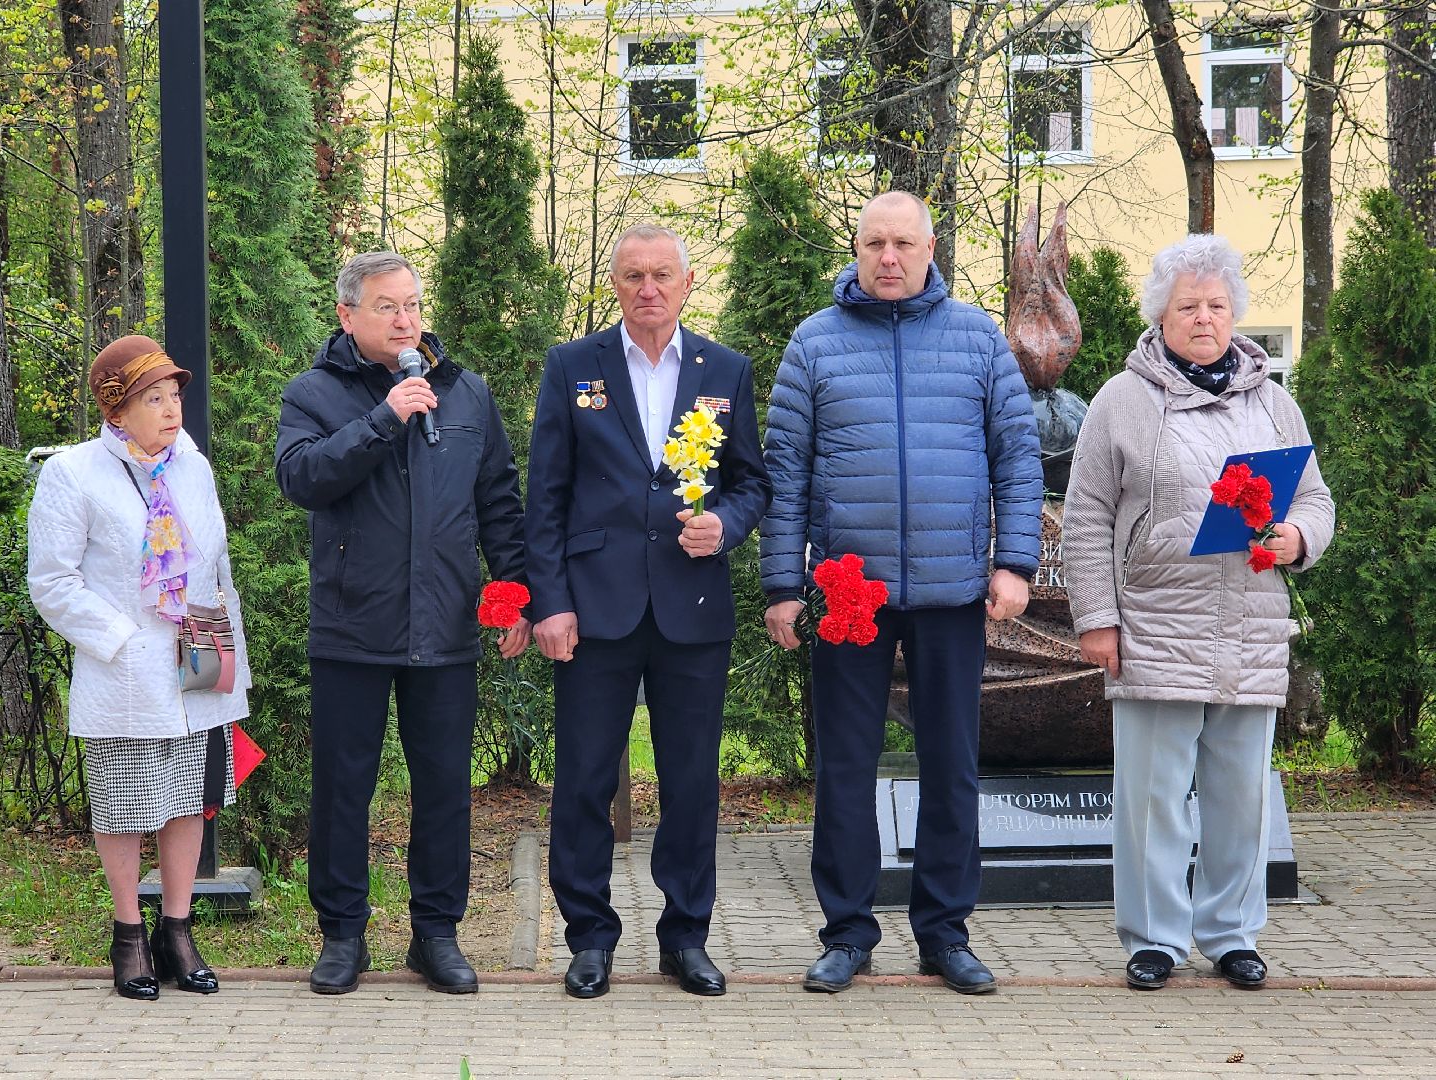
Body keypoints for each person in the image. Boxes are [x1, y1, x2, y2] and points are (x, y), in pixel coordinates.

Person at [762, 191, 1044, 995]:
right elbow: (786, 476)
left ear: (930, 249)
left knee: (951, 766)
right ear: (856, 249)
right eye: (875, 243)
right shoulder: (815, 344)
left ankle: (945, 934)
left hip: (954, 590)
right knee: (845, 767)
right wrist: (784, 584)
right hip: (851, 595)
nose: (890, 258)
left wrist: (1014, 564)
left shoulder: (977, 340)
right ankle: (848, 933)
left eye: (905, 244)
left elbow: (1018, 459)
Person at [1063, 234, 1335, 991]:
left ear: (1235, 313)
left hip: (1249, 623)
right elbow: (1085, 515)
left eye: (1217, 305)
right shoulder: (1122, 400)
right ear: (1161, 314)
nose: (1204, 318)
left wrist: (1297, 536)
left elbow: (1315, 498)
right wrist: (1097, 617)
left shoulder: (1274, 402)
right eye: (1188, 306)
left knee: (1240, 792)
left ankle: (1232, 933)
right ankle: (1153, 938)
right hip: (1154, 620)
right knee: (1151, 794)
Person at [526, 224, 771, 999]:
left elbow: (751, 483)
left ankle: (685, 938)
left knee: (693, 782)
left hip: (690, 609)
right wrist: (551, 604)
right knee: (585, 780)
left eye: (662, 274)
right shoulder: (574, 368)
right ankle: (590, 938)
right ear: (615, 284)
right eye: (632, 275)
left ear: (688, 283)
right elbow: (546, 499)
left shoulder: (724, 370)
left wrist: (725, 527)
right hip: (593, 611)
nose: (648, 289)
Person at [275, 251, 529, 995]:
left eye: (413, 304)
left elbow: (499, 506)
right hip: (353, 627)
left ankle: (435, 934)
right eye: (388, 306)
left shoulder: (468, 394)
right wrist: (384, 418)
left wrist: (511, 597)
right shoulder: (315, 393)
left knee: (445, 786)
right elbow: (304, 478)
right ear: (347, 316)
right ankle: (343, 936)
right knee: (343, 788)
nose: (407, 319)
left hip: (446, 626)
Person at [27, 335, 253, 1000]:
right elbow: (53, 582)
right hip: (125, 668)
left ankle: (176, 931)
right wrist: (121, 638)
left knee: (190, 800)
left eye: (174, 395)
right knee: (125, 807)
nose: (170, 409)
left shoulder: (193, 466)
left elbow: (216, 565)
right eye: (152, 398)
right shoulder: (74, 473)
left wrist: (228, 657)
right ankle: (129, 933)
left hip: (198, 657)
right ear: (116, 409)